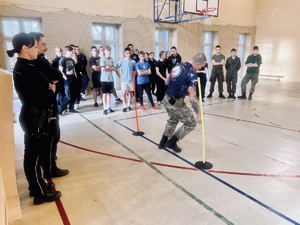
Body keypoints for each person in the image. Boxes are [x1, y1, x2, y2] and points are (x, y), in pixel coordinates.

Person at [7, 32, 61, 204]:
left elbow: (50, 82)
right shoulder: (24, 68)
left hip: (36, 115)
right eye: (35, 46)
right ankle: (38, 192)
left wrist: (48, 87)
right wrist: (49, 88)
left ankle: (38, 185)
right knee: (34, 157)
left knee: (36, 155)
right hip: (33, 116)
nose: (38, 49)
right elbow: (39, 94)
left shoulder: (29, 65)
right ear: (25, 48)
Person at [28, 32, 69, 179]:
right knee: (51, 136)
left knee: (54, 136)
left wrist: (52, 82)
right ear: (34, 45)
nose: (46, 47)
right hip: (44, 106)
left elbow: (56, 76)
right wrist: (50, 82)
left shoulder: (41, 60)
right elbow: (56, 76)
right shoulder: (36, 62)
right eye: (43, 44)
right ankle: (50, 169)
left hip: (50, 103)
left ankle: (50, 164)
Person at [158, 53, 207, 153]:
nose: (200, 69)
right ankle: (172, 142)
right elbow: (192, 96)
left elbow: (166, 82)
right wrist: (199, 114)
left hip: (166, 99)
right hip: (175, 103)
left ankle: (162, 143)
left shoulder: (178, 65)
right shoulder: (192, 73)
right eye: (201, 66)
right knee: (191, 123)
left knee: (173, 119)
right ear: (198, 63)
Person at [59, 46, 78, 113]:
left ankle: (71, 108)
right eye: (71, 51)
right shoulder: (63, 59)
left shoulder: (72, 60)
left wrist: (75, 76)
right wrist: (65, 78)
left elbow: (73, 69)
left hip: (72, 78)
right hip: (66, 79)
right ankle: (61, 109)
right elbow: (60, 71)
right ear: (67, 51)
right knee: (68, 95)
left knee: (73, 94)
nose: (73, 52)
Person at [100, 45, 119, 115]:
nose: (109, 52)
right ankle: (105, 108)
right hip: (104, 79)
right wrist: (110, 68)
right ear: (105, 51)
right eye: (107, 51)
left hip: (110, 79)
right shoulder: (102, 59)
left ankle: (108, 106)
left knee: (109, 94)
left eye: (109, 51)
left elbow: (115, 68)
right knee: (104, 94)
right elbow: (103, 68)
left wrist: (109, 67)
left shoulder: (112, 59)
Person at [116, 47, 136, 112]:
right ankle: (124, 106)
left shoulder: (133, 61)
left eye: (129, 53)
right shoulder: (121, 61)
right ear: (125, 53)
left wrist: (134, 75)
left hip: (130, 80)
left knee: (130, 93)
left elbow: (135, 70)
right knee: (124, 93)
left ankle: (128, 105)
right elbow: (115, 68)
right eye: (127, 53)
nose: (128, 54)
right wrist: (119, 75)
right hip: (124, 80)